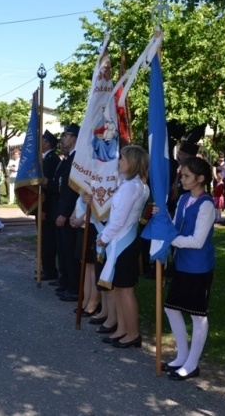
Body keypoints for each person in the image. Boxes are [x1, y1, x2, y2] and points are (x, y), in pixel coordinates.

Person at [164, 156, 216, 380]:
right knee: (171, 307)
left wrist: (171, 239)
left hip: (198, 266)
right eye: (181, 175)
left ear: (200, 178)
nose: (182, 179)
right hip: (182, 262)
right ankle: (182, 354)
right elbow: (176, 226)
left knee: (197, 314)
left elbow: (197, 240)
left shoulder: (206, 204)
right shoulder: (184, 199)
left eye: (186, 176)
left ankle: (193, 363)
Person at [95, 145, 150, 349]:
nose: (119, 162)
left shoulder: (131, 187)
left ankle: (133, 333)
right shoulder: (134, 185)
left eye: (123, 159)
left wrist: (103, 237)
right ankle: (122, 329)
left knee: (125, 290)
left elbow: (119, 220)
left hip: (122, 241)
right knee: (118, 288)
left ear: (133, 163)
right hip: (122, 240)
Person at [54, 124, 81, 303]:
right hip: (65, 210)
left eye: (66, 135)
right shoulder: (68, 158)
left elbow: (72, 190)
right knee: (65, 250)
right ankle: (68, 282)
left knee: (71, 252)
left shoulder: (77, 159)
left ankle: (75, 287)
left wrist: (64, 213)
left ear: (75, 138)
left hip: (72, 213)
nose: (63, 138)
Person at [40, 131, 61, 282]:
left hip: (48, 205)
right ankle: (46, 268)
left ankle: (50, 271)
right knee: (44, 240)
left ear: (47, 143)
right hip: (42, 204)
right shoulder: (45, 158)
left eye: (42, 140)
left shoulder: (51, 159)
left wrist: (44, 209)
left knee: (48, 241)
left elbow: (47, 187)